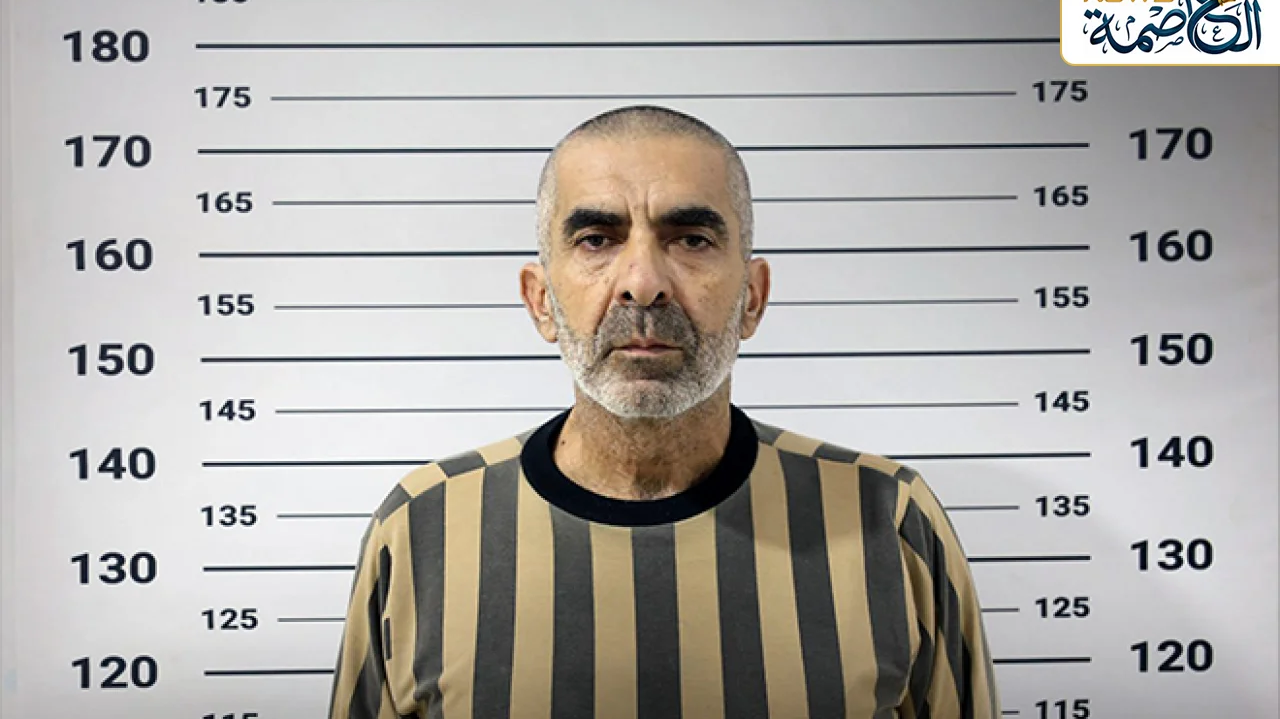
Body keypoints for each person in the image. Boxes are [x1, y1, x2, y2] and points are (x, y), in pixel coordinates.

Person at [327, 105, 1000, 719]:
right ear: (540, 300)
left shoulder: (889, 518)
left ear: (753, 297)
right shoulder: (422, 526)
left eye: (691, 239)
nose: (643, 282)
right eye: (596, 239)